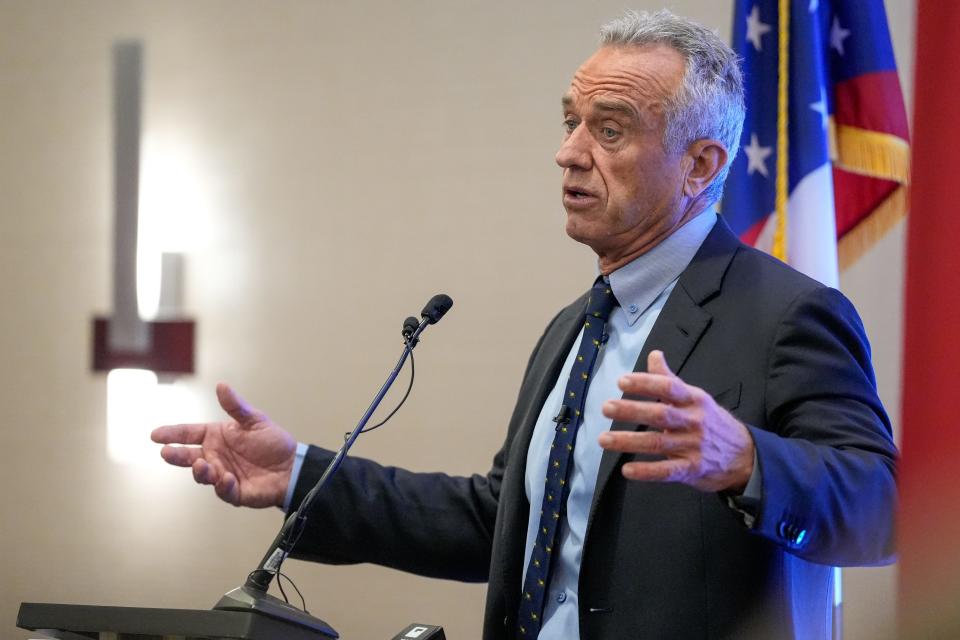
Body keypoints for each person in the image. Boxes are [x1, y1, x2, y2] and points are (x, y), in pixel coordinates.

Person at [152, 10, 896, 639]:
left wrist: (748, 460)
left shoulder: (786, 313)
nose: (568, 153)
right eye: (572, 122)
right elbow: (498, 521)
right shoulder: (573, 329)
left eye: (609, 131)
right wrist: (303, 478)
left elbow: (887, 506)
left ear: (700, 165)